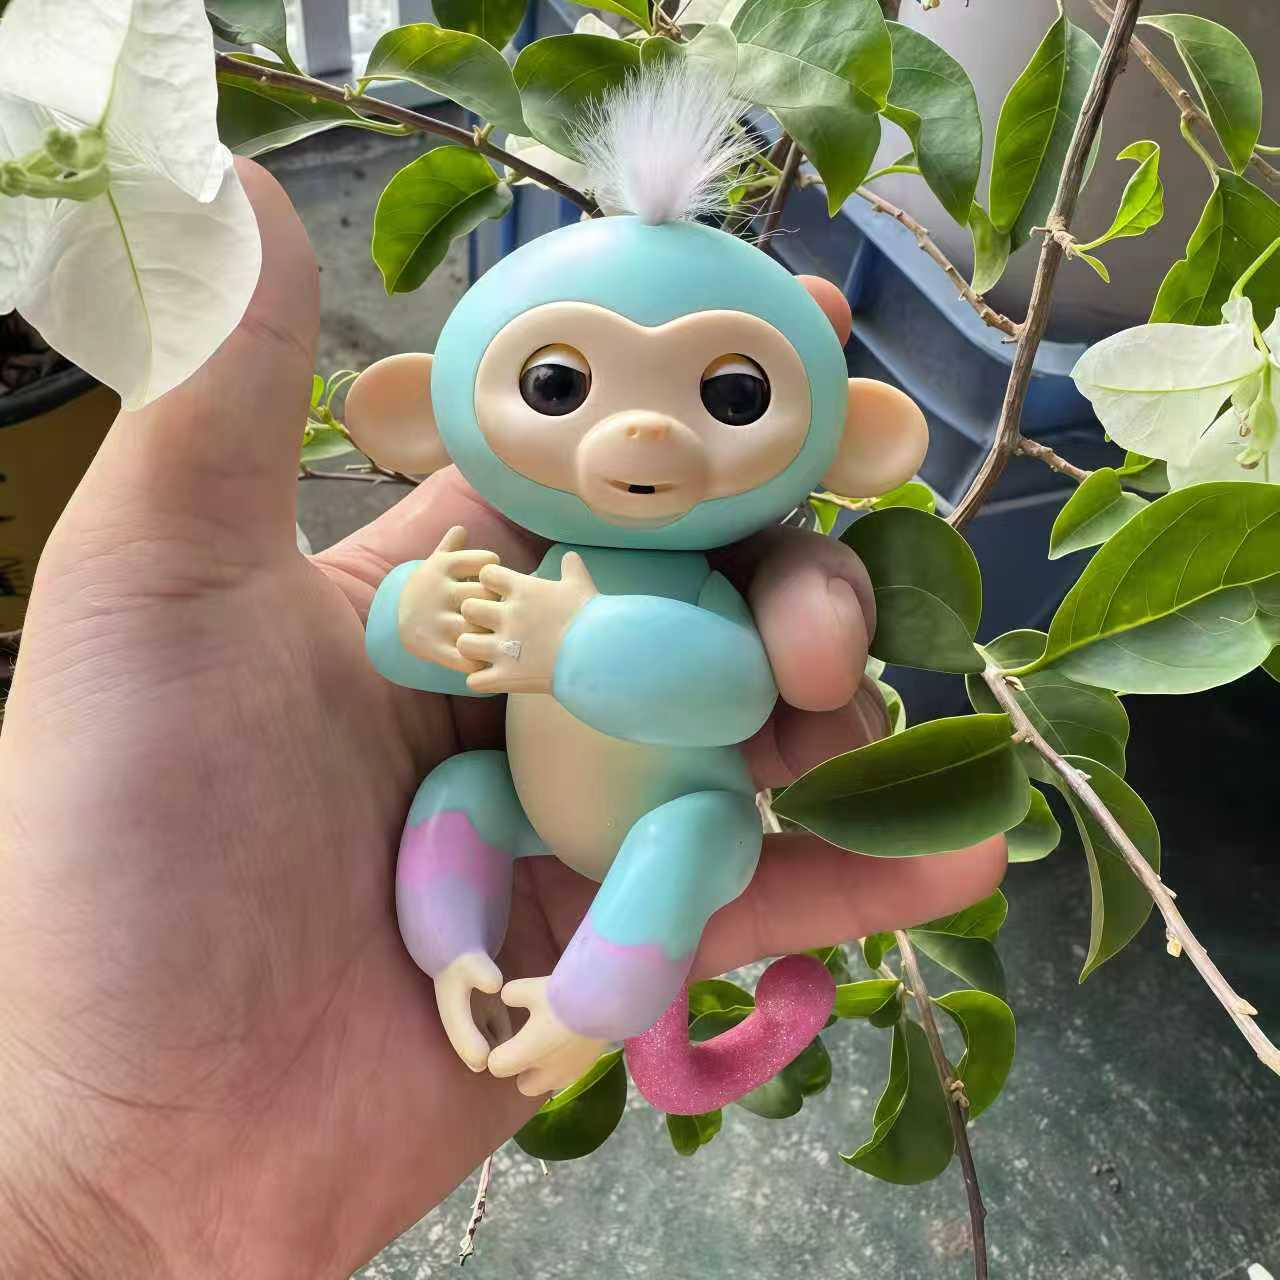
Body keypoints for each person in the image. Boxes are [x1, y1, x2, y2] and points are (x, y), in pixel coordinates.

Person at [0, 162, 1005, 1278]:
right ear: (423, 413)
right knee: (459, 791)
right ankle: (453, 951)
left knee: (686, 834)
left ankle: (593, 1002)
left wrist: (572, 645)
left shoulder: (707, 599)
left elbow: (728, 688)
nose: (641, 434)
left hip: (686, 825)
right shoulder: (510, 565)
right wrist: (416, 610)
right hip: (528, 811)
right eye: (559, 384)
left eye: (730, 398)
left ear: (850, 437)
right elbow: (395, 646)